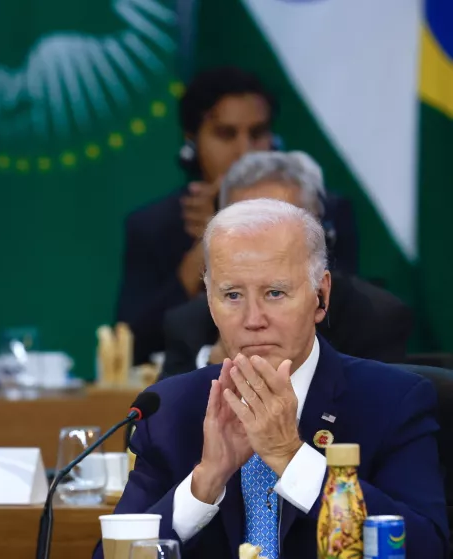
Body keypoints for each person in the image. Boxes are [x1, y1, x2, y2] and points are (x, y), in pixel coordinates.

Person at [97, 199, 448, 558]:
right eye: (232, 295)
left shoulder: (391, 401)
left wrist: (291, 457)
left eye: (275, 293)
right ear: (209, 302)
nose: (253, 319)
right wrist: (204, 483)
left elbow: (426, 548)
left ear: (321, 297)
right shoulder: (169, 410)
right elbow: (111, 555)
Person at [114, 67, 359, 364]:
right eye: (226, 134)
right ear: (191, 142)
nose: (246, 151)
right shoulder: (155, 224)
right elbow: (129, 347)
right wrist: (213, 243)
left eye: (257, 134)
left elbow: (347, 319)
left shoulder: (320, 210)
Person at [161, 151, 412, 377]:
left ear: (321, 232)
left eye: (280, 221)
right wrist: (212, 364)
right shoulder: (189, 325)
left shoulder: (373, 317)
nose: (254, 319)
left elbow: (377, 422)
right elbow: (150, 426)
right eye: (245, 223)